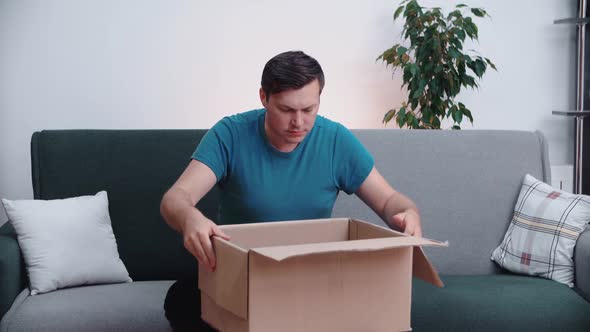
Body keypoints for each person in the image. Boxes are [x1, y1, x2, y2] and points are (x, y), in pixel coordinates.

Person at [160, 50, 422, 331]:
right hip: (241, 275)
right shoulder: (230, 134)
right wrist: (189, 217)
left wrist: (408, 212)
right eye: (286, 110)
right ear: (264, 98)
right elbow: (176, 198)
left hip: (311, 278)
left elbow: (390, 201)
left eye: (309, 110)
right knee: (180, 298)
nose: (298, 122)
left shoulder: (334, 140)